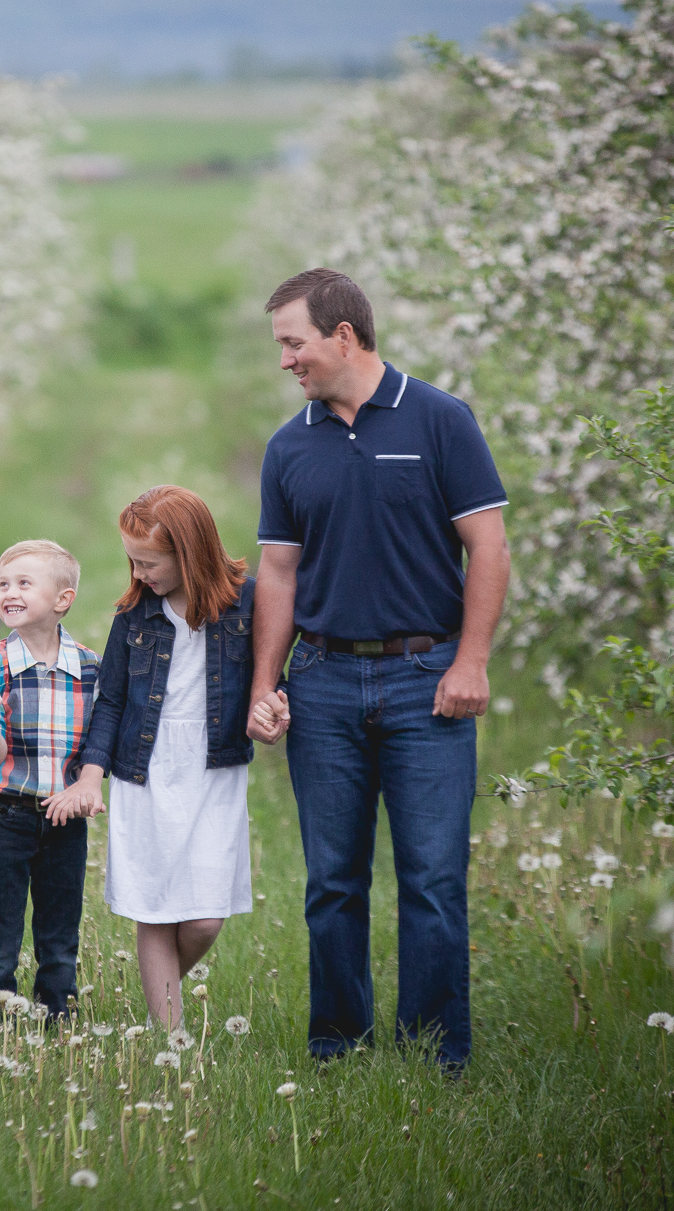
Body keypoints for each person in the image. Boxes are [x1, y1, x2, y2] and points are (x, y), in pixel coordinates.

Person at [247, 268, 510, 1071]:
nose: (286, 361)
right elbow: (279, 574)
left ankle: (435, 1054)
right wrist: (266, 683)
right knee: (332, 881)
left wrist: (471, 662)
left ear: (345, 336)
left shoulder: (440, 420)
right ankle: (338, 1047)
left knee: (431, 880)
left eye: (294, 343)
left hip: (424, 680)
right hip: (322, 684)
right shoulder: (290, 444)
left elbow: (489, 548)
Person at [57, 486, 255, 1031]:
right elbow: (113, 700)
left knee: (204, 919)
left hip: (215, 767)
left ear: (189, 552)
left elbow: (270, 675)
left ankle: (157, 995)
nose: (139, 573)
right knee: (155, 905)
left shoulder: (248, 602)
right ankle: (171, 1036)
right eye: (133, 561)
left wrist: (273, 703)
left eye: (149, 562)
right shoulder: (135, 617)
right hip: (144, 768)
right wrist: (90, 778)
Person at [0, 540, 100, 1016]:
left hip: (65, 820)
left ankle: (57, 1014)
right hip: (6, 816)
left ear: (63, 599)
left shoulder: (88, 668)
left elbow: (97, 746)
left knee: (60, 930)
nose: (9, 592)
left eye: (24, 583)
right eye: (3, 584)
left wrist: (88, 788)